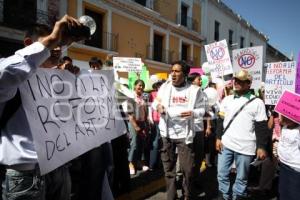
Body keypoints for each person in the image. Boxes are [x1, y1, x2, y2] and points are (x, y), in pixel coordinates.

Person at [0, 15, 84, 200]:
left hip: (59, 167)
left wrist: (69, 83)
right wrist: (52, 38)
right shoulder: (11, 73)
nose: (57, 48)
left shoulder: (60, 78)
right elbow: (4, 73)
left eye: (60, 43)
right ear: (29, 43)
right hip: (26, 175)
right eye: (51, 41)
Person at [153, 60, 207, 200]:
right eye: (172, 71)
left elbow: (202, 110)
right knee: (169, 169)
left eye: (177, 71)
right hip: (167, 134)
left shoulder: (194, 90)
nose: (173, 74)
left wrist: (193, 113)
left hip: (185, 135)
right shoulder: (165, 87)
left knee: (188, 170)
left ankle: (187, 194)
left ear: (185, 74)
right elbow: (155, 102)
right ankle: (171, 196)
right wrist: (158, 107)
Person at [216, 70, 269, 200]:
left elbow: (261, 127)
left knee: (242, 178)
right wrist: (218, 138)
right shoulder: (227, 99)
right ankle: (224, 196)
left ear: (249, 84)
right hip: (226, 144)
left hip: (246, 148)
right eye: (236, 80)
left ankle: (237, 197)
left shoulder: (257, 103)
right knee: (222, 174)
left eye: (241, 81)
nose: (237, 83)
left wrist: (261, 146)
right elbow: (220, 120)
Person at [127, 79, 149, 175]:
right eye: (139, 85)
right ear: (134, 86)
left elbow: (146, 112)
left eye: (142, 86)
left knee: (141, 143)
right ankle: (131, 163)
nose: (141, 87)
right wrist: (136, 126)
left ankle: (138, 162)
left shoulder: (143, 98)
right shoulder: (130, 97)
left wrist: (147, 124)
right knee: (134, 143)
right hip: (133, 123)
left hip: (142, 123)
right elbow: (130, 114)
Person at [277, 115, 300, 200]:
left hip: (295, 169)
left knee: (293, 194)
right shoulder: (285, 127)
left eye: (281, 115)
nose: (279, 117)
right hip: (284, 165)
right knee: (283, 192)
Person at [148, 81, 164, 170]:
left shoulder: (165, 94)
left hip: (164, 121)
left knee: (162, 142)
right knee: (155, 142)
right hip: (156, 120)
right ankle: (152, 164)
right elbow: (150, 107)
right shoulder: (153, 94)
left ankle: (159, 162)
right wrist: (150, 118)